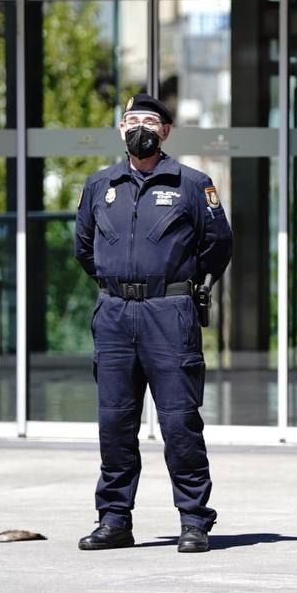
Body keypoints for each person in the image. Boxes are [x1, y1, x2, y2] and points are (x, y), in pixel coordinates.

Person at [74, 93, 233, 554]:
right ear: (121, 130)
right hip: (114, 315)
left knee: (180, 424)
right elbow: (83, 247)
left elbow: (218, 245)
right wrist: (119, 284)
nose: (139, 128)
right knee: (115, 424)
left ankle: (194, 520)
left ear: (165, 131)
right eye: (131, 121)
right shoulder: (99, 185)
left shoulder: (191, 184)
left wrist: (177, 283)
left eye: (149, 121)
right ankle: (114, 519)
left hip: (169, 314)